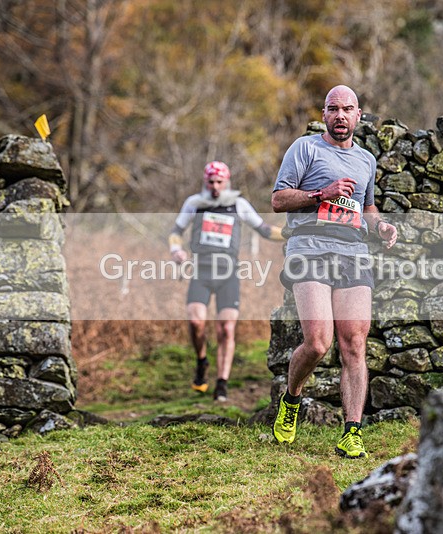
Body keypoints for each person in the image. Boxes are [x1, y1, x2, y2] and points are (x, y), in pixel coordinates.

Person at [270, 85, 398, 458]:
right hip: (309, 247)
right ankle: (291, 401)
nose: (340, 115)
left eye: (348, 109)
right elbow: (279, 200)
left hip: (353, 250)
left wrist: (381, 227)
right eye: (333, 109)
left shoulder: (366, 160)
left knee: (355, 343)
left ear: (359, 116)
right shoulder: (305, 148)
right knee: (318, 342)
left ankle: (351, 432)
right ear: (324, 114)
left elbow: (367, 207)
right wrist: (319, 195)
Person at [170, 161, 283, 401]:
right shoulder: (194, 203)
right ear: (205, 182)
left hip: (228, 274)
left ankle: (222, 383)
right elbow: (175, 232)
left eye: (219, 182)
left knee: (226, 328)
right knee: (196, 322)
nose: (215, 186)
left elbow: (264, 230)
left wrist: (292, 232)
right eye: (210, 182)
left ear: (227, 182)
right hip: (200, 272)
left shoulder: (238, 204)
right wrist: (176, 251)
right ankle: (202, 361)